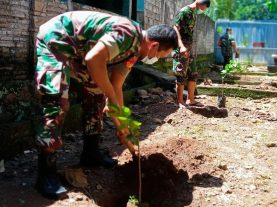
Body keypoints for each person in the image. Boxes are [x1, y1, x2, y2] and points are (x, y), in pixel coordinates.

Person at [34, 10, 178, 199]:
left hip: (79, 50)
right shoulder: (127, 34)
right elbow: (94, 59)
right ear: (154, 45)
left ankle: (90, 153)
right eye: (161, 55)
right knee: (57, 102)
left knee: (97, 94)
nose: (157, 59)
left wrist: (122, 126)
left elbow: (116, 85)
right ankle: (46, 173)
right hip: (56, 40)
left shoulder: (135, 52)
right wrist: (110, 94)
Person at [173, 0, 210, 108]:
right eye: (206, 6)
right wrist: (181, 46)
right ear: (200, 2)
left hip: (189, 49)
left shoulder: (193, 14)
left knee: (193, 74)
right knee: (181, 75)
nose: (205, 9)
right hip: (182, 49)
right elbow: (175, 28)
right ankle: (180, 102)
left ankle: (191, 100)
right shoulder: (184, 11)